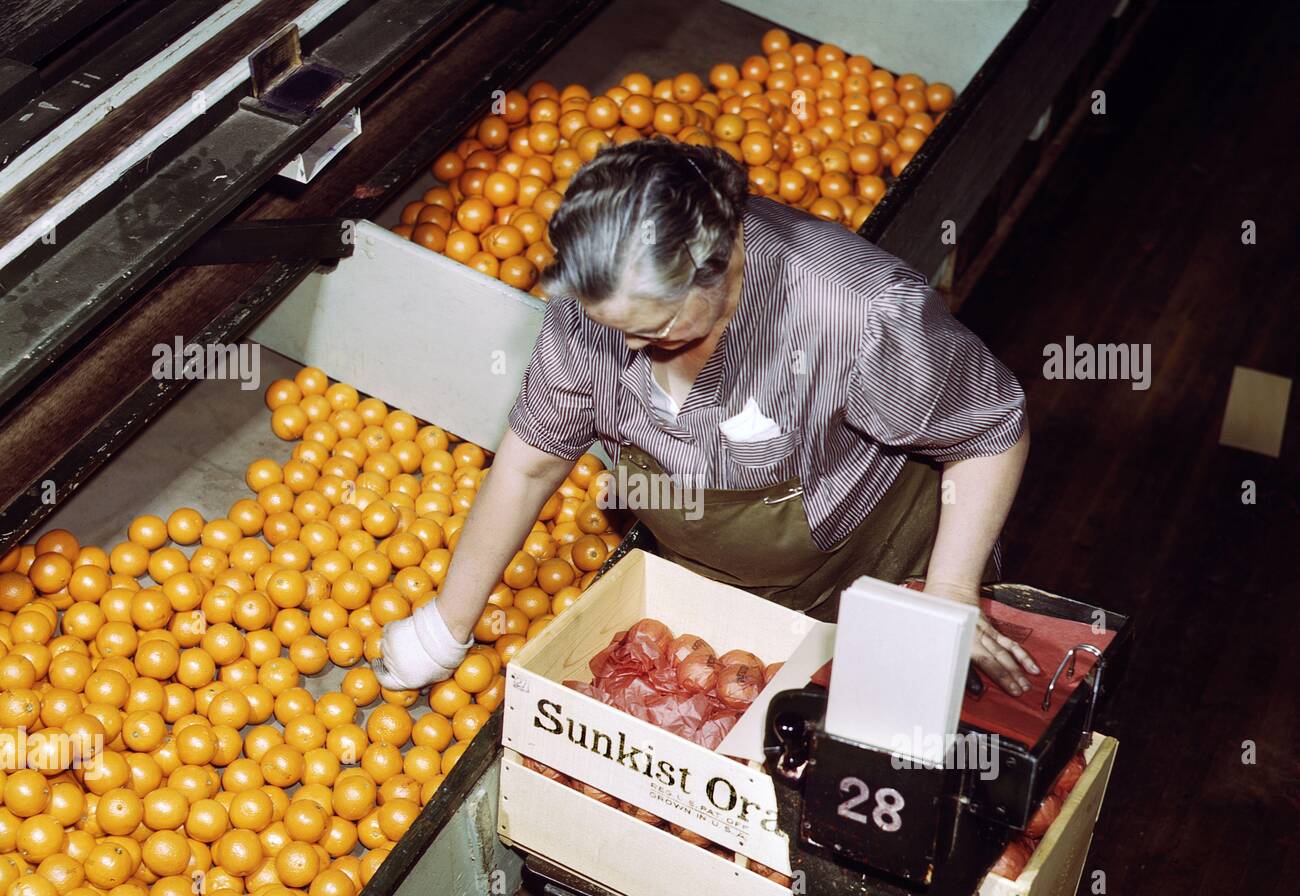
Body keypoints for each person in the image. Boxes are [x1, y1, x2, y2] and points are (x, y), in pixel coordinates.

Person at [376, 139, 1039, 697]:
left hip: (873, 558)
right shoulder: (599, 309)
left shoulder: (853, 313)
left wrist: (950, 587)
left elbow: (990, 430)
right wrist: (444, 626)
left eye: (657, 329)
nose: (628, 349)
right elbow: (533, 461)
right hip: (720, 587)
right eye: (613, 326)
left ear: (721, 260)